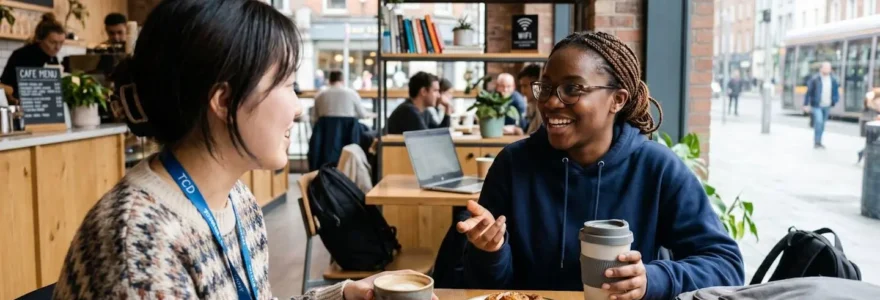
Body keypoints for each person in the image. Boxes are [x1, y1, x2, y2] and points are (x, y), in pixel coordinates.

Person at [52, 1, 434, 299]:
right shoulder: (137, 246)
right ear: (224, 101)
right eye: (287, 84)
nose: (298, 106)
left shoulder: (236, 199)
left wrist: (346, 294)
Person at [457, 32, 744, 299]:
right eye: (546, 88)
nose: (551, 102)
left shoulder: (656, 168)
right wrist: (489, 252)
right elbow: (486, 288)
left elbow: (726, 266)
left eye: (572, 89)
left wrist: (652, 280)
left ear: (617, 100)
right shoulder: (513, 164)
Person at [0, 13, 64, 102]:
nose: (57, 47)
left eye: (61, 43)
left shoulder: (52, 58)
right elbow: (4, 86)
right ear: (39, 39)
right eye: (53, 42)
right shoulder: (21, 55)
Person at [386, 71, 450, 134]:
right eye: (435, 91)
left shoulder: (425, 111)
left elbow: (440, 133)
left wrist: (447, 109)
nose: (439, 96)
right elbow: (428, 138)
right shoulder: (409, 111)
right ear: (423, 91)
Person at [804, 62, 840, 149]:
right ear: (821, 69)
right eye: (826, 68)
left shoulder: (833, 79)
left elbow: (835, 91)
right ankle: (816, 142)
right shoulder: (815, 79)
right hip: (817, 105)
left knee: (822, 124)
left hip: (827, 105)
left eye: (829, 68)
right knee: (819, 121)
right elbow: (809, 92)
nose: (827, 69)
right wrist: (806, 104)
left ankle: (819, 142)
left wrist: (835, 100)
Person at [518, 64, 543, 135]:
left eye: (525, 86)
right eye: (521, 86)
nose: (522, 91)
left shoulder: (542, 110)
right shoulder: (530, 107)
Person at [858, 88, 880, 163]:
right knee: (872, 141)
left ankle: (862, 153)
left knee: (871, 141)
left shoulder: (870, 99)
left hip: (869, 123)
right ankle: (864, 153)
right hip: (872, 124)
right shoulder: (874, 101)